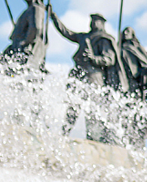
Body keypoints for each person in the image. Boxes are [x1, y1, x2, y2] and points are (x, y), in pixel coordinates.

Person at [49, 10, 128, 142]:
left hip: (94, 76)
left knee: (92, 109)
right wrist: (54, 16)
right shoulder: (84, 37)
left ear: (102, 24)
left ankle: (93, 139)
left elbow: (109, 60)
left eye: (96, 20)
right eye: (92, 20)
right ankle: (64, 132)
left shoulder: (104, 39)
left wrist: (94, 58)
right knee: (73, 105)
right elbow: (66, 32)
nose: (92, 23)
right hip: (79, 75)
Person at [0, 0, 47, 75]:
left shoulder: (36, 9)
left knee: (19, 71)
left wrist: (26, 41)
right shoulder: (27, 11)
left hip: (24, 47)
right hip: (15, 45)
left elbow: (36, 28)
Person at [119, 27, 147, 99]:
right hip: (123, 73)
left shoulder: (137, 47)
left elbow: (144, 60)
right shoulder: (119, 47)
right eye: (124, 31)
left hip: (137, 75)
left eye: (128, 31)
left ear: (132, 34)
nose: (125, 33)